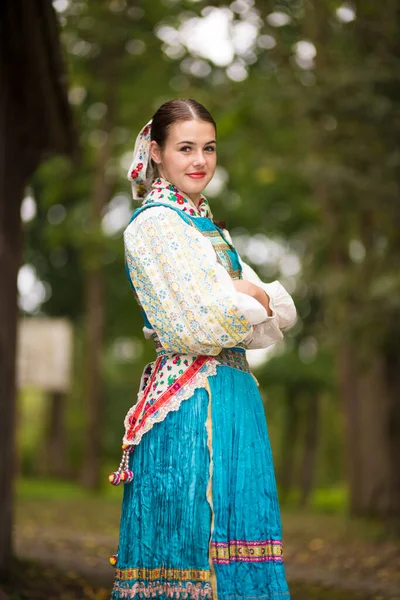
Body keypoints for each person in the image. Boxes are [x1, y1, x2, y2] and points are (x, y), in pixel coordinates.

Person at [109, 99, 296, 600]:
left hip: (236, 394)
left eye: (208, 148)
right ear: (157, 151)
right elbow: (199, 323)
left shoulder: (210, 230)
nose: (199, 161)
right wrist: (248, 297)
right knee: (190, 545)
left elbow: (275, 315)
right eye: (185, 148)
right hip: (189, 406)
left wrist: (247, 298)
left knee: (242, 536)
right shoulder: (153, 226)